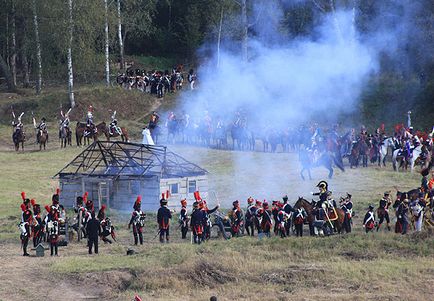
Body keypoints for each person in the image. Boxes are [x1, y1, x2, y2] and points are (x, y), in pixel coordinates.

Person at [19, 192, 32, 256]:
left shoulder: (26, 210)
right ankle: (24, 251)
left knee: (27, 238)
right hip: (24, 225)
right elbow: (26, 218)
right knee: (26, 237)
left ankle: (25, 251)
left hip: (26, 225)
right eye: (29, 203)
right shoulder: (25, 211)